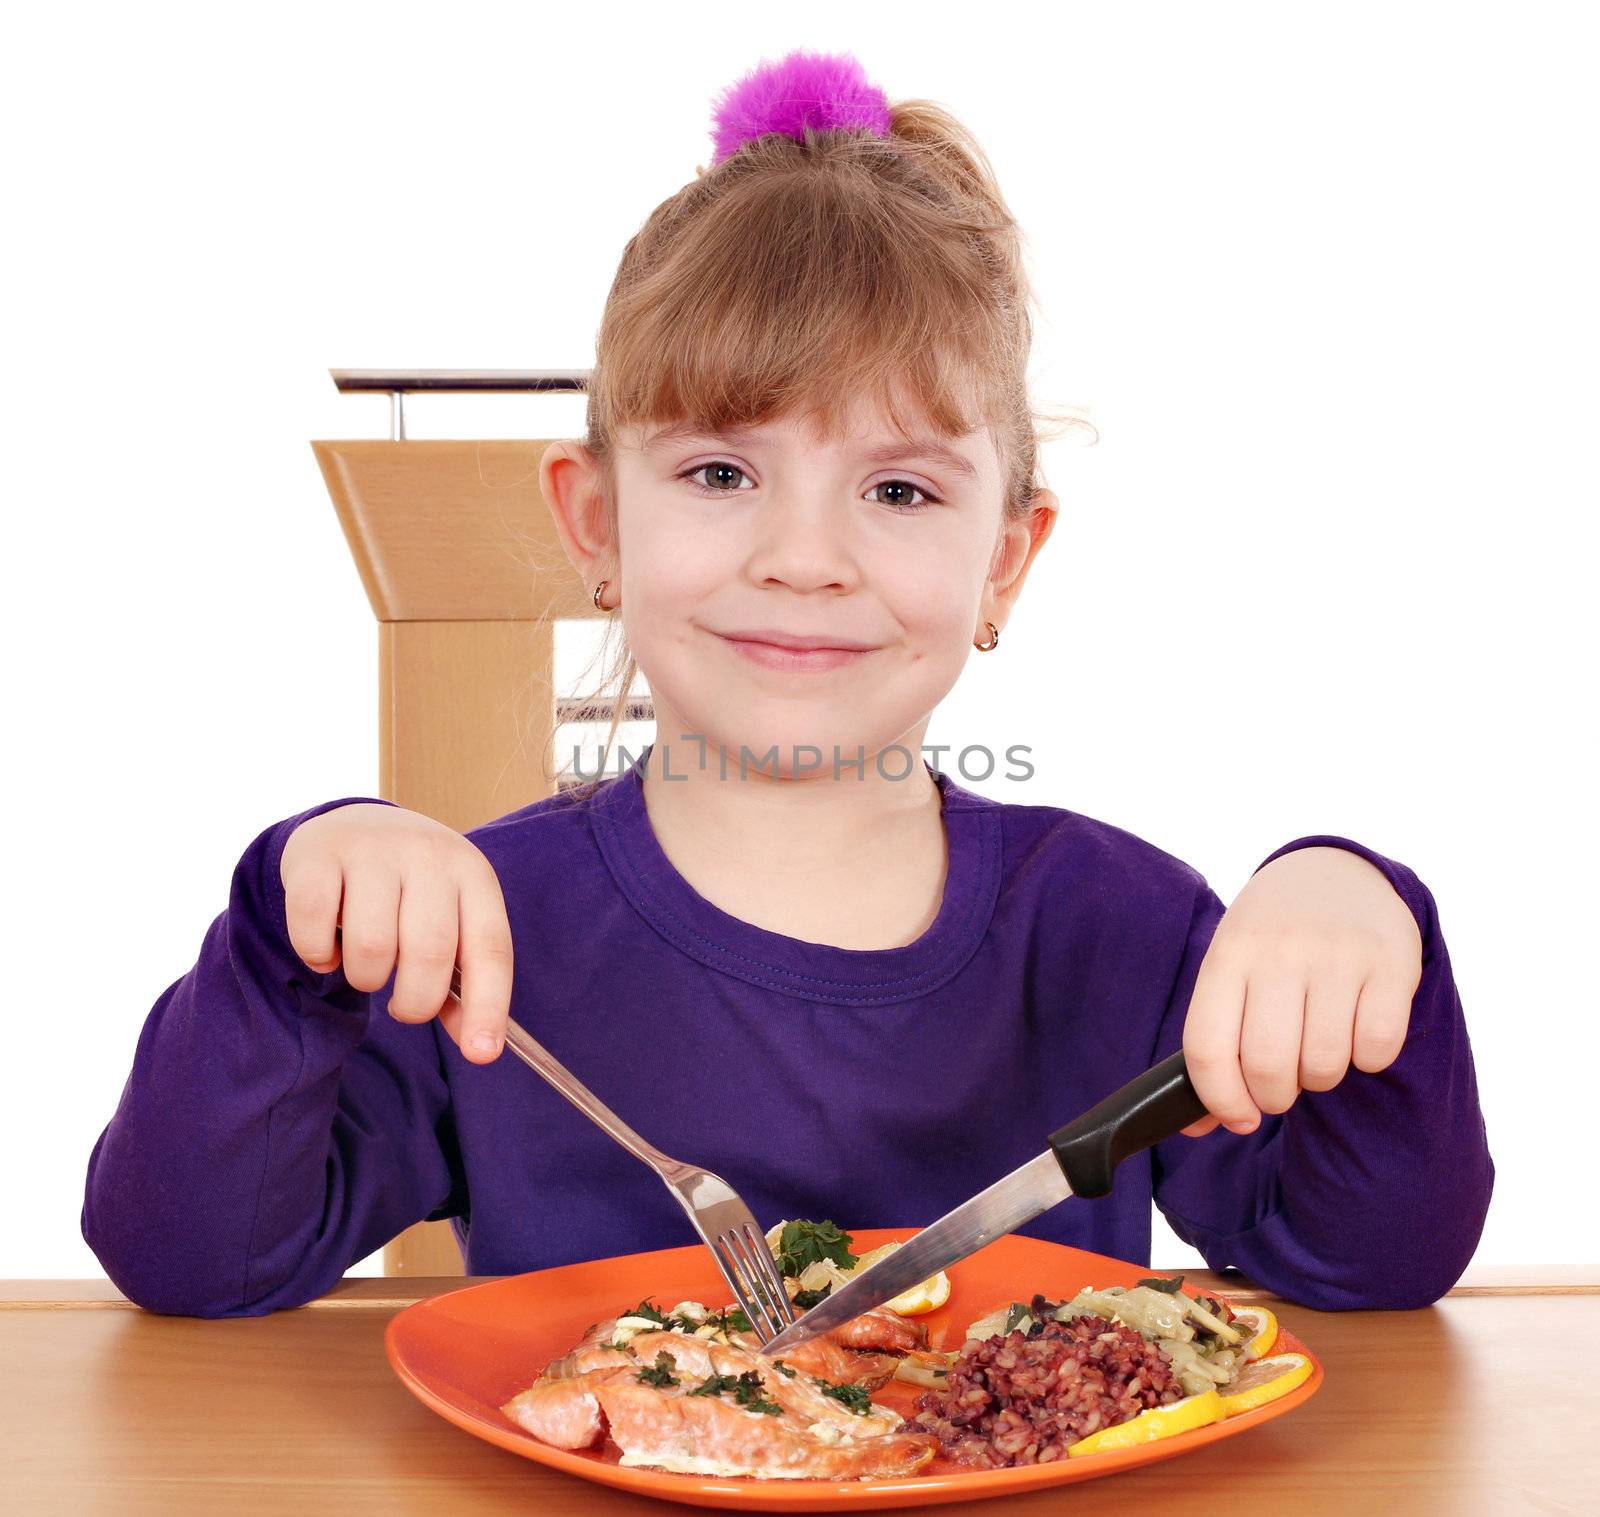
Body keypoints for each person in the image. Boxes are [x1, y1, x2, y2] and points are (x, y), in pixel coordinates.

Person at [81, 50, 1492, 1320]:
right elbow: (193, 1256)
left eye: (894, 486)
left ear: (1006, 560)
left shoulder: (1120, 934)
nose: (804, 556)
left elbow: (1368, 1258)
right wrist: (290, 928)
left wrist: (1361, 911)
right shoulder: (479, 944)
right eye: (718, 472)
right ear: (597, 530)